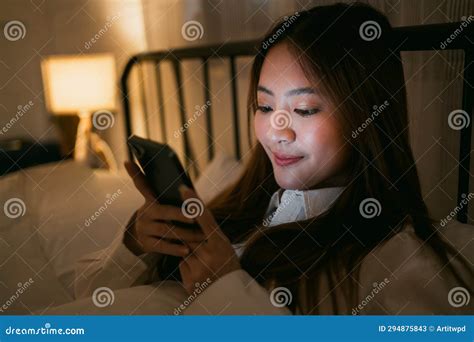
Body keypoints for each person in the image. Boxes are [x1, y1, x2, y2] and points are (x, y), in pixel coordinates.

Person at [74, 2, 473, 315]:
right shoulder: (237, 213)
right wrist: (134, 244)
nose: (277, 130)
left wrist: (225, 290)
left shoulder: (394, 261)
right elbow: (86, 295)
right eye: (264, 107)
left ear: (368, 116)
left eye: (305, 110)